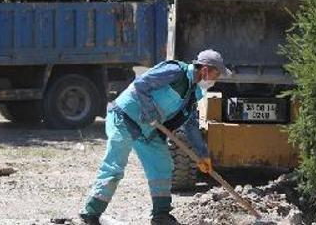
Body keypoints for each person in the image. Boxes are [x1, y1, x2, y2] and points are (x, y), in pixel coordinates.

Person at [79, 50, 231, 225]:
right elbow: (141, 84)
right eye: (216, 74)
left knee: (163, 164)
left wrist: (202, 154)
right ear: (205, 69)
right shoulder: (175, 72)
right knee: (115, 167)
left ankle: (161, 215)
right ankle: (90, 214)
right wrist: (150, 112)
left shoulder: (195, 92)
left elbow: (190, 124)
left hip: (148, 129)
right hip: (124, 118)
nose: (216, 79)